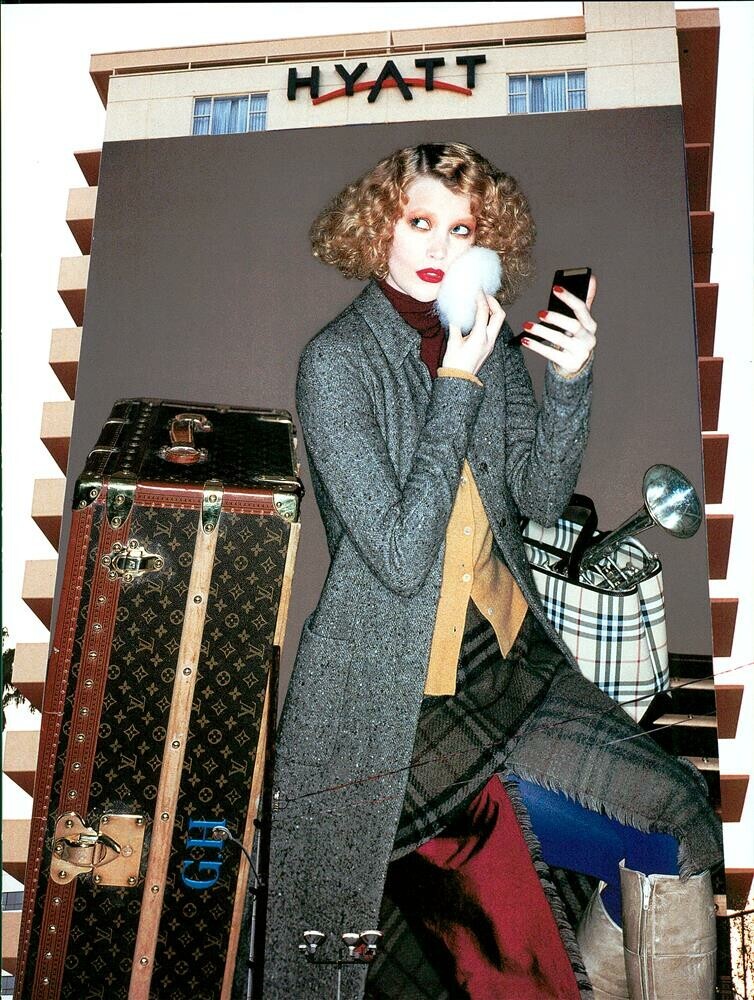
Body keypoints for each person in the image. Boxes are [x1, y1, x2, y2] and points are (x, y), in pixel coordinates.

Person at [262, 142, 722, 1000]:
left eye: (462, 229)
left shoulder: (486, 337)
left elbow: (538, 497)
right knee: (518, 958)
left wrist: (570, 381)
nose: (439, 247)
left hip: (512, 668)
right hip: (393, 710)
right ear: (378, 227)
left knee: (680, 819)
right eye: (419, 222)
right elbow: (401, 557)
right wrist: (456, 384)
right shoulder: (336, 363)